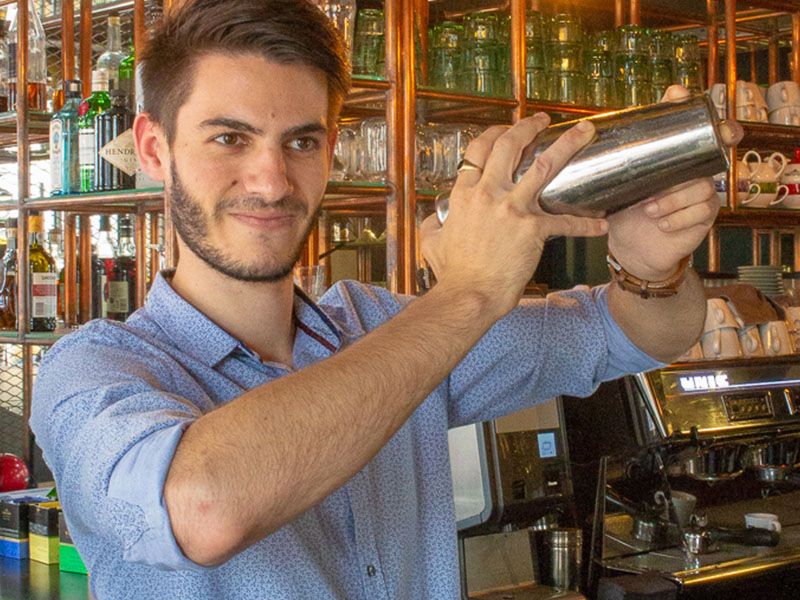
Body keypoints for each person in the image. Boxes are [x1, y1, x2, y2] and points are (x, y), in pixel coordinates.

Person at [30, 0, 742, 598]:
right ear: (155, 150)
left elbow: (634, 334)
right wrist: (468, 293)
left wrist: (652, 266)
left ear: (331, 149)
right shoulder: (92, 372)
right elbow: (199, 509)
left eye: (301, 141)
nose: (272, 180)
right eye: (229, 138)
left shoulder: (382, 326)